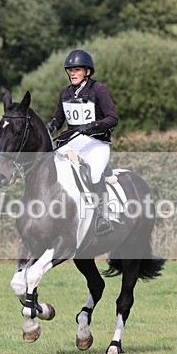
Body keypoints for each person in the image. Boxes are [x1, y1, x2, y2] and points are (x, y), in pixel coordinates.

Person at [46, 49, 117, 236]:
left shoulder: (98, 90)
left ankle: (103, 218)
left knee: (93, 175)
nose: (72, 73)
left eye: (77, 70)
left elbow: (112, 118)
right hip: (73, 142)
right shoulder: (66, 93)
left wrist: (92, 126)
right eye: (70, 70)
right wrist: (50, 128)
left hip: (95, 143)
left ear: (87, 71)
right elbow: (58, 119)